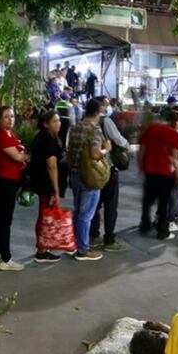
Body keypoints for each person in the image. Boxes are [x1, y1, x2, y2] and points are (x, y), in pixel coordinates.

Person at [65, 98, 110, 261]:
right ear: (98, 112)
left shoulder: (75, 128)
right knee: (86, 215)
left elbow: (69, 150)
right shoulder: (94, 130)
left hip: (74, 174)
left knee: (78, 211)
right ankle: (83, 250)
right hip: (89, 176)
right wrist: (106, 150)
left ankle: (75, 244)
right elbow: (95, 153)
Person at [0, 106, 28, 271]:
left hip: (7, 180)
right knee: (5, 220)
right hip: (4, 181)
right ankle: (6, 258)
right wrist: (28, 156)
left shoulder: (9, 133)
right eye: (6, 116)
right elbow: (18, 156)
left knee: (1, 218)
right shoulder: (1, 136)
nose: (10, 119)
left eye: (11, 116)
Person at [90, 97, 130, 252]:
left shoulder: (84, 123)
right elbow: (118, 139)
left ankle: (93, 236)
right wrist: (127, 144)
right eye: (106, 105)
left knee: (95, 205)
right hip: (107, 168)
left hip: (92, 169)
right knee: (110, 205)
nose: (107, 108)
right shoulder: (105, 121)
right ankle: (109, 240)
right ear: (100, 107)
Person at [139, 109, 178, 241]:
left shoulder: (150, 129)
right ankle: (162, 231)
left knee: (147, 201)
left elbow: (142, 150)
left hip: (150, 171)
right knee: (163, 204)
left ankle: (145, 225)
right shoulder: (172, 133)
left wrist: (141, 166)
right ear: (174, 121)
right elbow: (174, 158)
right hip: (165, 173)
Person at [29, 110, 65, 263]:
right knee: (46, 215)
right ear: (46, 124)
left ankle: (43, 247)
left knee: (45, 214)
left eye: (59, 120)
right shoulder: (47, 140)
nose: (58, 124)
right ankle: (42, 250)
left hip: (41, 182)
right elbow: (52, 166)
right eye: (54, 121)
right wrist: (56, 190)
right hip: (46, 183)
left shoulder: (45, 137)